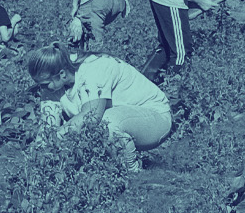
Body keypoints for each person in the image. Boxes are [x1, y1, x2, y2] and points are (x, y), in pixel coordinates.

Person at [25, 42, 172, 172]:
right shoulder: (50, 86)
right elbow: (47, 126)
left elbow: (91, 117)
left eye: (44, 84)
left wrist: (54, 139)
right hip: (123, 122)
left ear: (61, 74)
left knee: (106, 124)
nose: (42, 89)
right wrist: (37, 151)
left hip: (155, 118)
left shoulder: (94, 68)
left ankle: (133, 173)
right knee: (101, 127)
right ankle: (115, 168)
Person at [142, 0, 220, 83]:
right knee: (181, 53)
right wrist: (200, 1)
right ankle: (172, 94)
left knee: (166, 47)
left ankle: (142, 83)